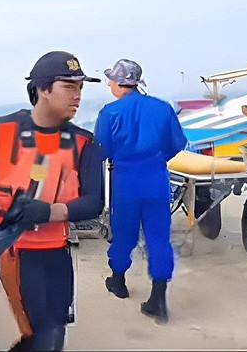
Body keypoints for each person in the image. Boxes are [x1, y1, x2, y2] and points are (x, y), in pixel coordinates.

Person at [0, 51, 104, 351]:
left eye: (81, 88)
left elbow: (94, 202)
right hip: (17, 251)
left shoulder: (85, 141)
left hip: (58, 251)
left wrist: (49, 211)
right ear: (42, 89)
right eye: (69, 86)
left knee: (54, 335)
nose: (78, 96)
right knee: (41, 335)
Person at [94, 59, 187, 324]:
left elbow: (101, 150)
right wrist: (155, 159)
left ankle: (119, 281)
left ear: (119, 83)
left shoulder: (109, 112)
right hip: (157, 179)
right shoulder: (162, 108)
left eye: (111, 80)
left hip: (125, 181)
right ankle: (158, 298)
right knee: (159, 237)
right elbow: (176, 144)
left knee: (123, 233)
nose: (109, 84)